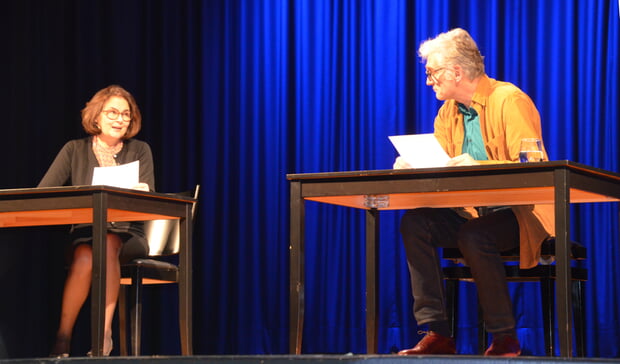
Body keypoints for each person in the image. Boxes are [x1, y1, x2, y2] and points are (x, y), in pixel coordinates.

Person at [394, 28, 553, 356]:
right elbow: (440, 170)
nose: (429, 81)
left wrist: (479, 164)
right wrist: (413, 165)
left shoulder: (508, 100)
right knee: (415, 222)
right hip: (470, 211)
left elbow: (533, 169)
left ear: (456, 71)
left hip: (518, 213)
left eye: (432, 73)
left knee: (474, 235)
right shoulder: (447, 114)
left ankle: (505, 337)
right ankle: (436, 332)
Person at [39, 85, 155, 357]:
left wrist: (141, 191)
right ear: (97, 116)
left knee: (109, 242)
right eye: (113, 112)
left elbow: (149, 194)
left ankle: (103, 336)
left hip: (128, 235)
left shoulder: (140, 150)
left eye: (126, 114)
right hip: (86, 233)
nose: (120, 119)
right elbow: (46, 192)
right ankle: (63, 337)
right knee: (86, 256)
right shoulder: (74, 150)